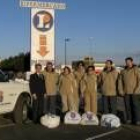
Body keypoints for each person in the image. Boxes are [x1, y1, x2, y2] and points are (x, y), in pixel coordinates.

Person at [118, 57, 140, 125]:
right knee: (127, 107)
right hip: (126, 91)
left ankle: (137, 120)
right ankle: (129, 119)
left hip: (134, 92)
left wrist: (137, 89)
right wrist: (121, 90)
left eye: (129, 62)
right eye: (126, 62)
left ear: (132, 62)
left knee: (135, 106)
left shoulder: (136, 69)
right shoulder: (123, 71)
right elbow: (120, 81)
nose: (127, 63)